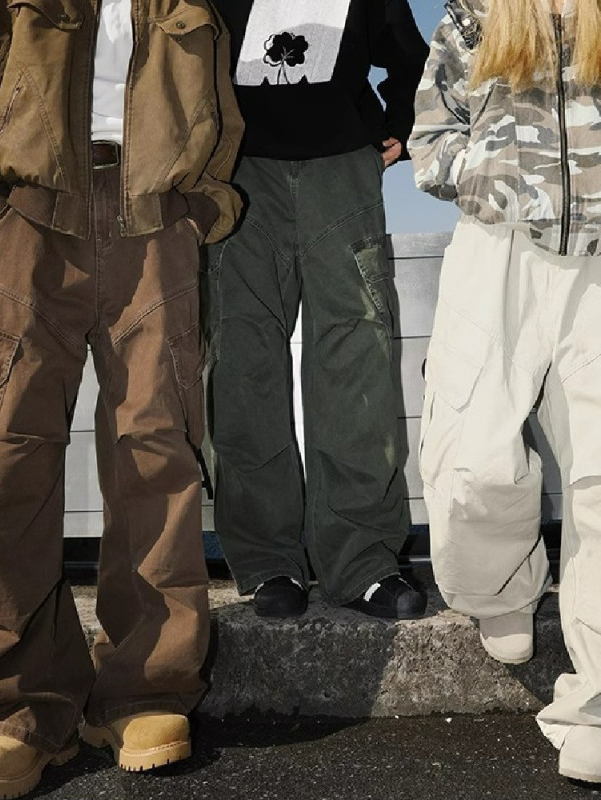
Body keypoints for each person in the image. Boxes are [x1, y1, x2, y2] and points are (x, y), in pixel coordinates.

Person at [0, 0, 243, 796]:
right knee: (10, 450)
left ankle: (144, 689)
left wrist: (198, 204)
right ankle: (26, 711)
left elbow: (218, 93)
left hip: (154, 222)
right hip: (33, 216)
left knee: (156, 450)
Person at [409, 0, 601, 785]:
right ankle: (501, 587)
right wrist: (487, 178)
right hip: (495, 247)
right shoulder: (473, 16)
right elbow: (431, 138)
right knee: (472, 456)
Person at [205, 0, 429, 619]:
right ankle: (267, 561)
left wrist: (403, 122)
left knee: (356, 362)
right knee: (243, 363)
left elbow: (408, 52)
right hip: (238, 173)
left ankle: (363, 561)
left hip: (342, 167)